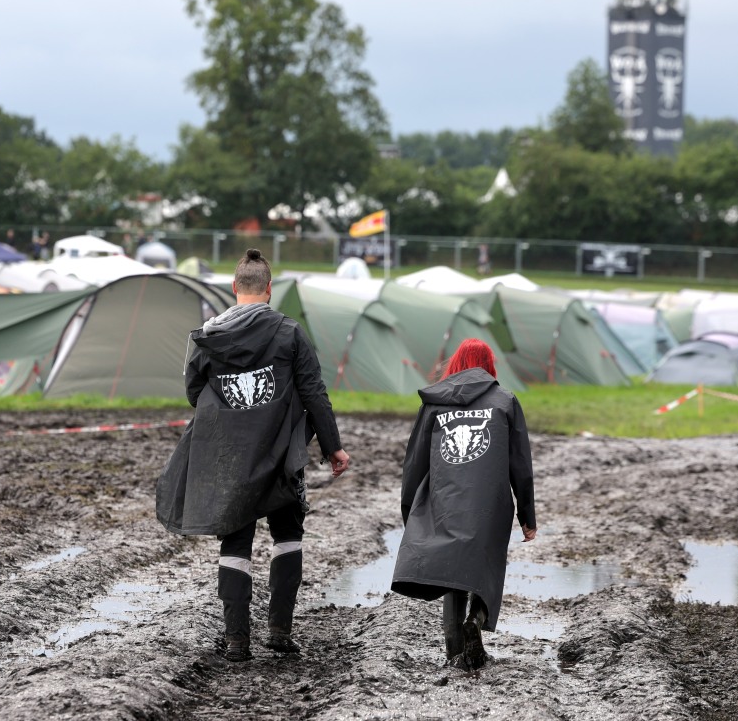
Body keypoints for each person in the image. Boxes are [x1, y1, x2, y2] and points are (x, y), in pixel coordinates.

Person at [156, 248, 350, 662]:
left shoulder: (207, 335)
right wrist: (333, 447)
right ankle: (279, 631)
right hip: (282, 454)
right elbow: (315, 393)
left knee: (236, 542)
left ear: (234, 287)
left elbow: (194, 393)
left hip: (230, 457)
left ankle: (236, 641)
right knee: (287, 537)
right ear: (268, 289)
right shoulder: (289, 332)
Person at [391, 338, 536, 670]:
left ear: (456, 362)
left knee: (451, 573)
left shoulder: (434, 403)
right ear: (489, 365)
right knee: (484, 565)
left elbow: (414, 463)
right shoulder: (505, 401)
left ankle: (456, 656)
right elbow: (520, 465)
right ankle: (477, 617)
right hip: (490, 502)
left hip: (445, 500)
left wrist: (410, 511)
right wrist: (527, 515)